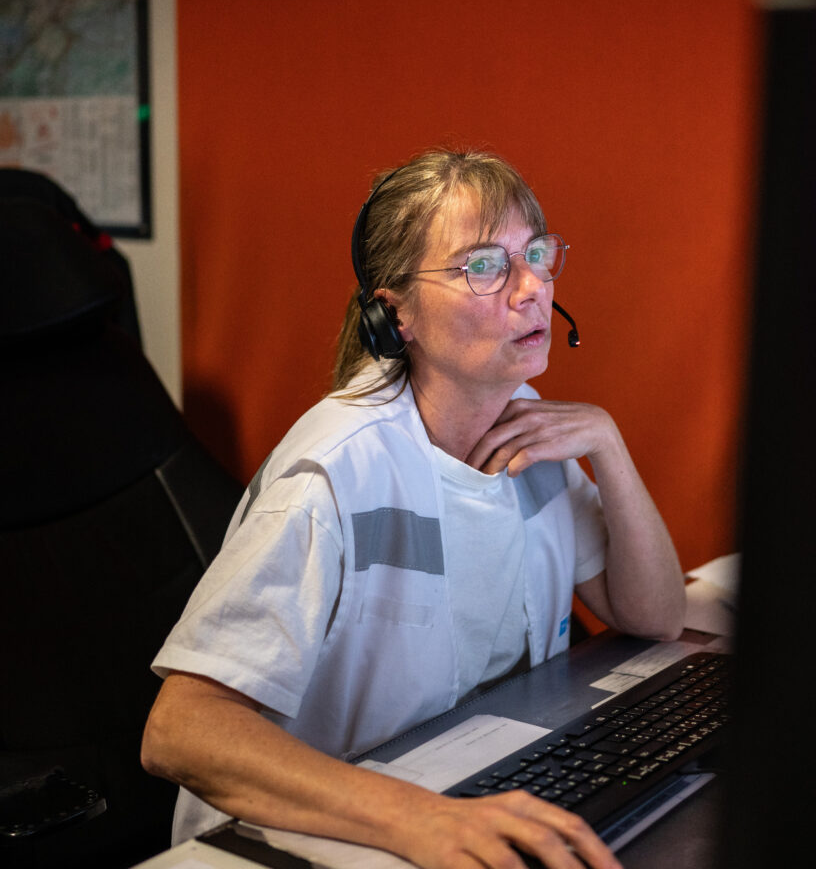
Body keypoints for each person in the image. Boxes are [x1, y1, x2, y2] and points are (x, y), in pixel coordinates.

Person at [141, 149, 687, 869]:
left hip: (462, 787)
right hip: (301, 839)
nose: (532, 290)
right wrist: (417, 820)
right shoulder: (335, 470)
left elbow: (654, 616)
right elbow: (179, 731)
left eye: (536, 255)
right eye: (484, 267)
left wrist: (609, 447)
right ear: (396, 314)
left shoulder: (526, 427)